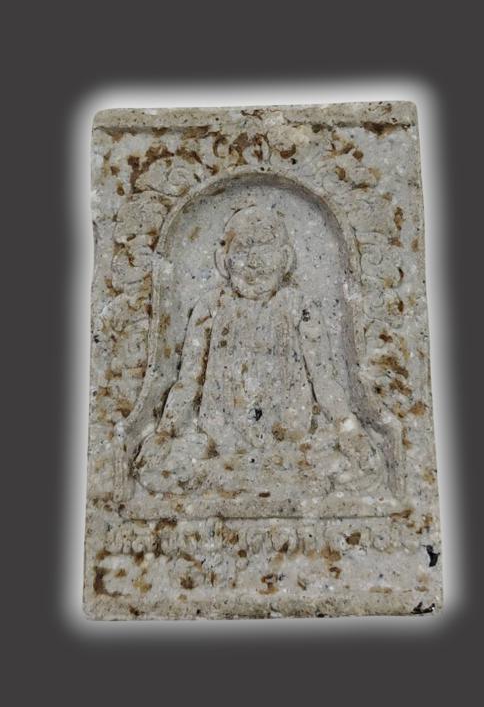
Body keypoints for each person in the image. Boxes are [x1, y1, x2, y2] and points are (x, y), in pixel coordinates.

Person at [134, 207, 388, 495]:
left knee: (360, 466)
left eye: (266, 249)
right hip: (220, 442)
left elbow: (323, 378)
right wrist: (164, 432)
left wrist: (348, 428)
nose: (254, 263)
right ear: (223, 260)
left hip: (291, 444)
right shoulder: (212, 306)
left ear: (285, 258)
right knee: (159, 466)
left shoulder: (298, 305)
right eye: (243, 250)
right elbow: (189, 379)